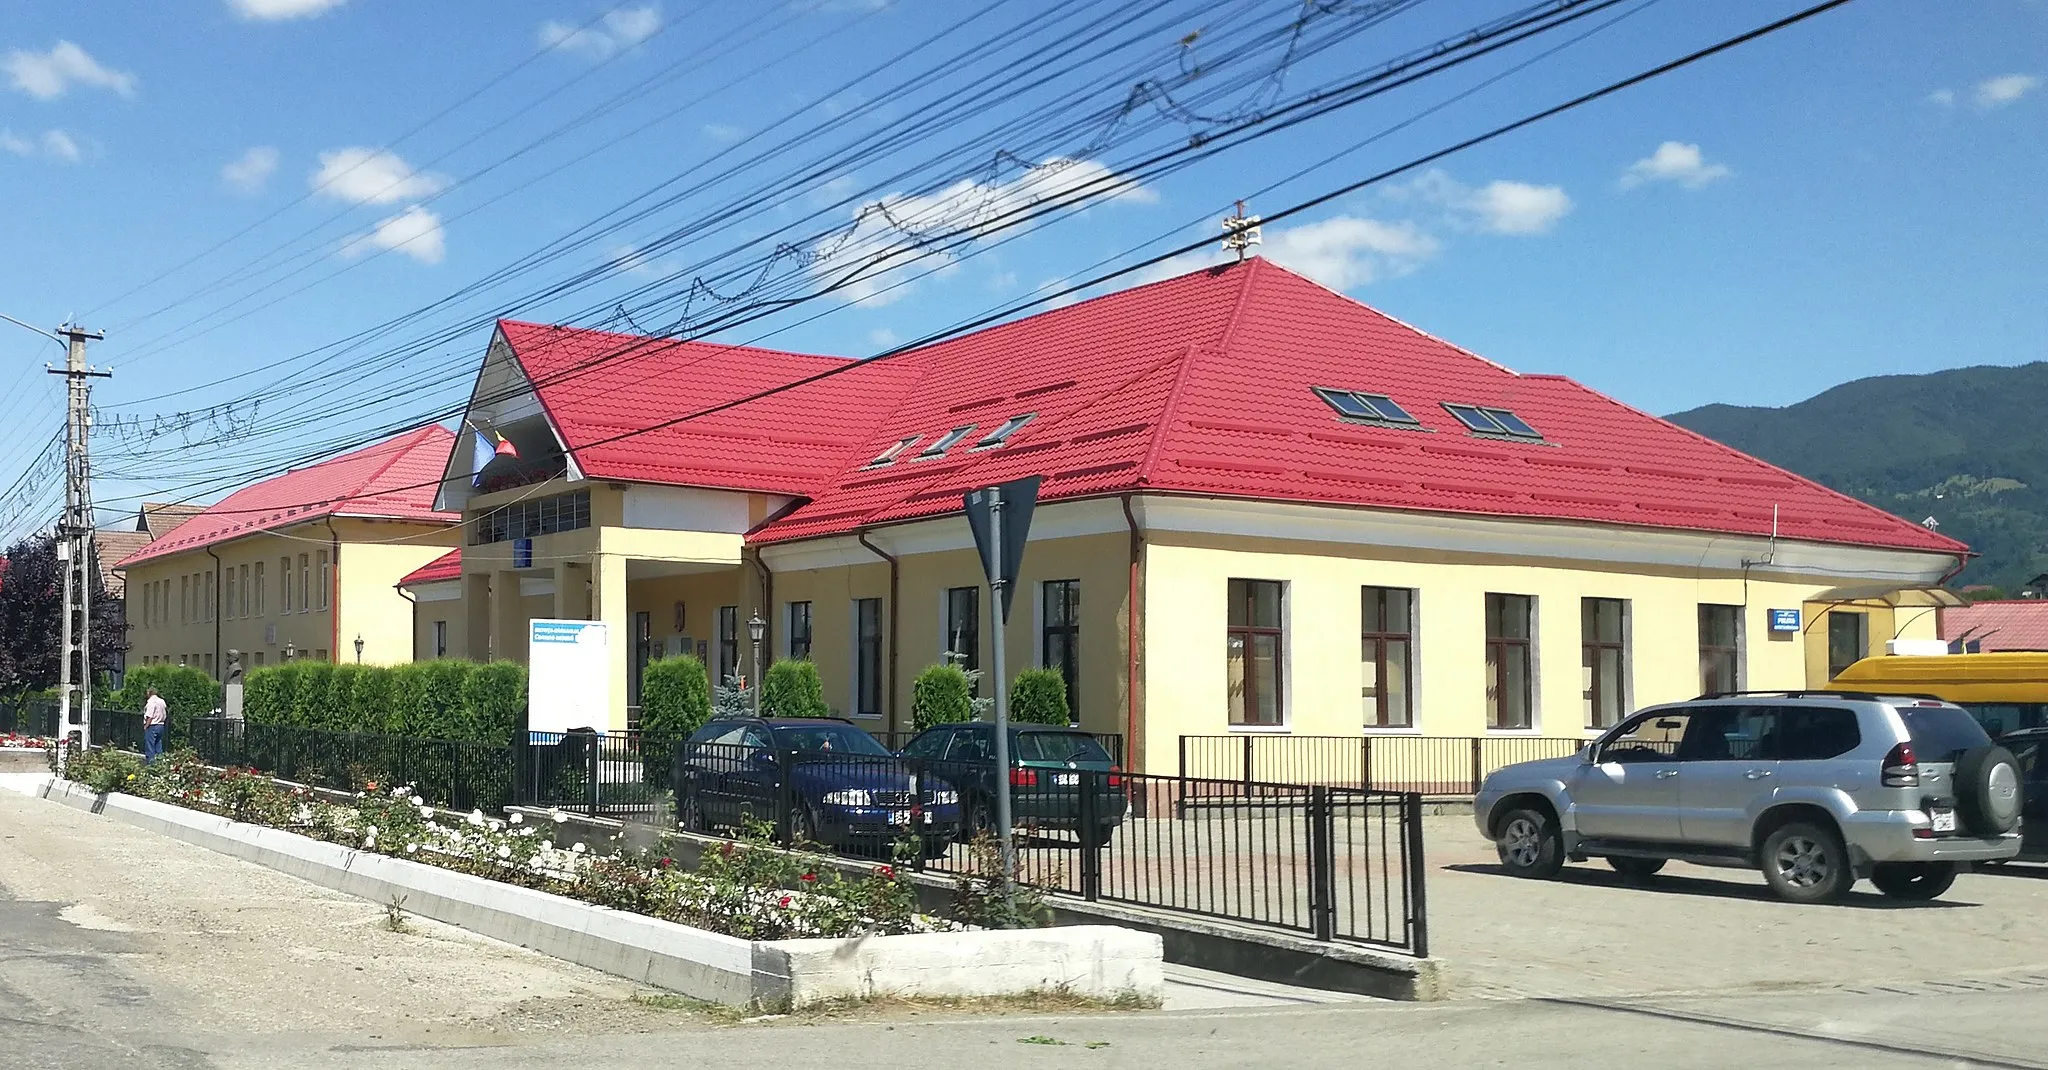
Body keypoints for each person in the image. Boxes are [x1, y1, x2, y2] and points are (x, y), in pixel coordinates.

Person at [142, 687, 168, 763]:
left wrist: (146, 726)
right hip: (161, 725)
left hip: (152, 725)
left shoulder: (151, 702)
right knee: (158, 745)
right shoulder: (162, 701)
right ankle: (160, 763)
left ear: (149, 693)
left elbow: (150, 716)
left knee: (150, 747)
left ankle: (151, 765)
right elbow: (164, 713)